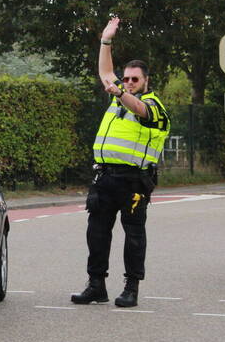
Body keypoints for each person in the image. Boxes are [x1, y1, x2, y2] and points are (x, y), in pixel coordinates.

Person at [71, 17, 170, 308]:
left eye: (134, 79)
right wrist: (105, 40)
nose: (127, 83)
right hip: (104, 178)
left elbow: (139, 108)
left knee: (134, 235)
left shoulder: (154, 107)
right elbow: (105, 72)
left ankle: (131, 287)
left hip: (134, 181)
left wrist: (120, 92)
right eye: (125, 78)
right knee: (97, 232)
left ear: (146, 81)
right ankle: (96, 285)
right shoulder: (118, 98)